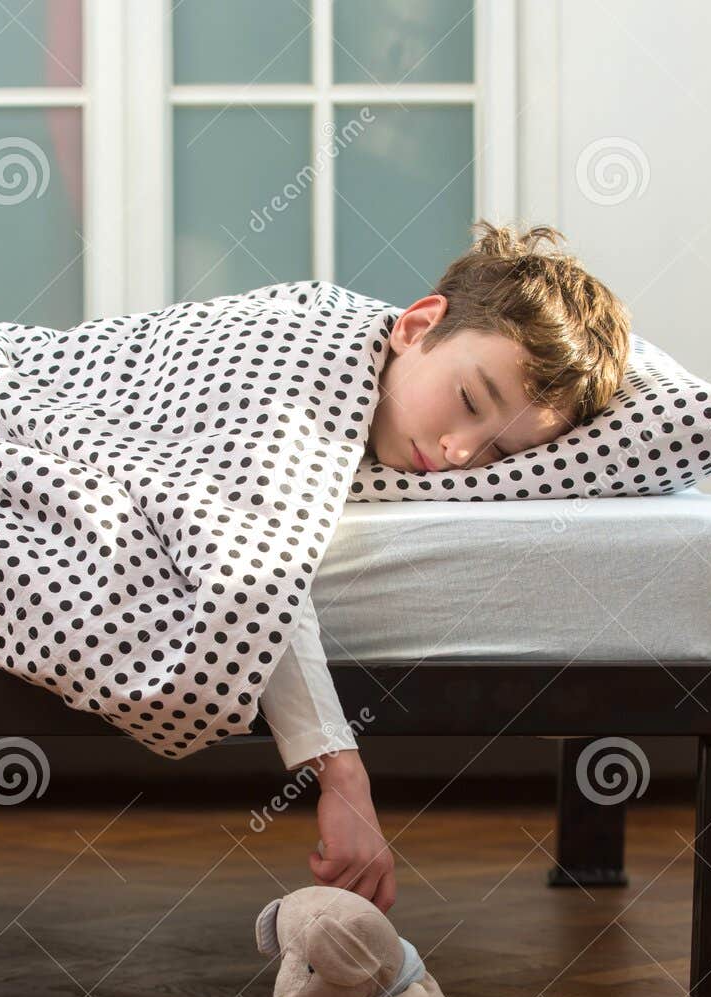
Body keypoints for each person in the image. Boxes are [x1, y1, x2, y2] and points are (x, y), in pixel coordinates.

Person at [259, 222, 631, 913]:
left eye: (497, 453)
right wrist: (344, 777)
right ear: (418, 325)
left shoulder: (437, 436)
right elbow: (248, 553)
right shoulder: (295, 364)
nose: (461, 454)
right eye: (469, 400)